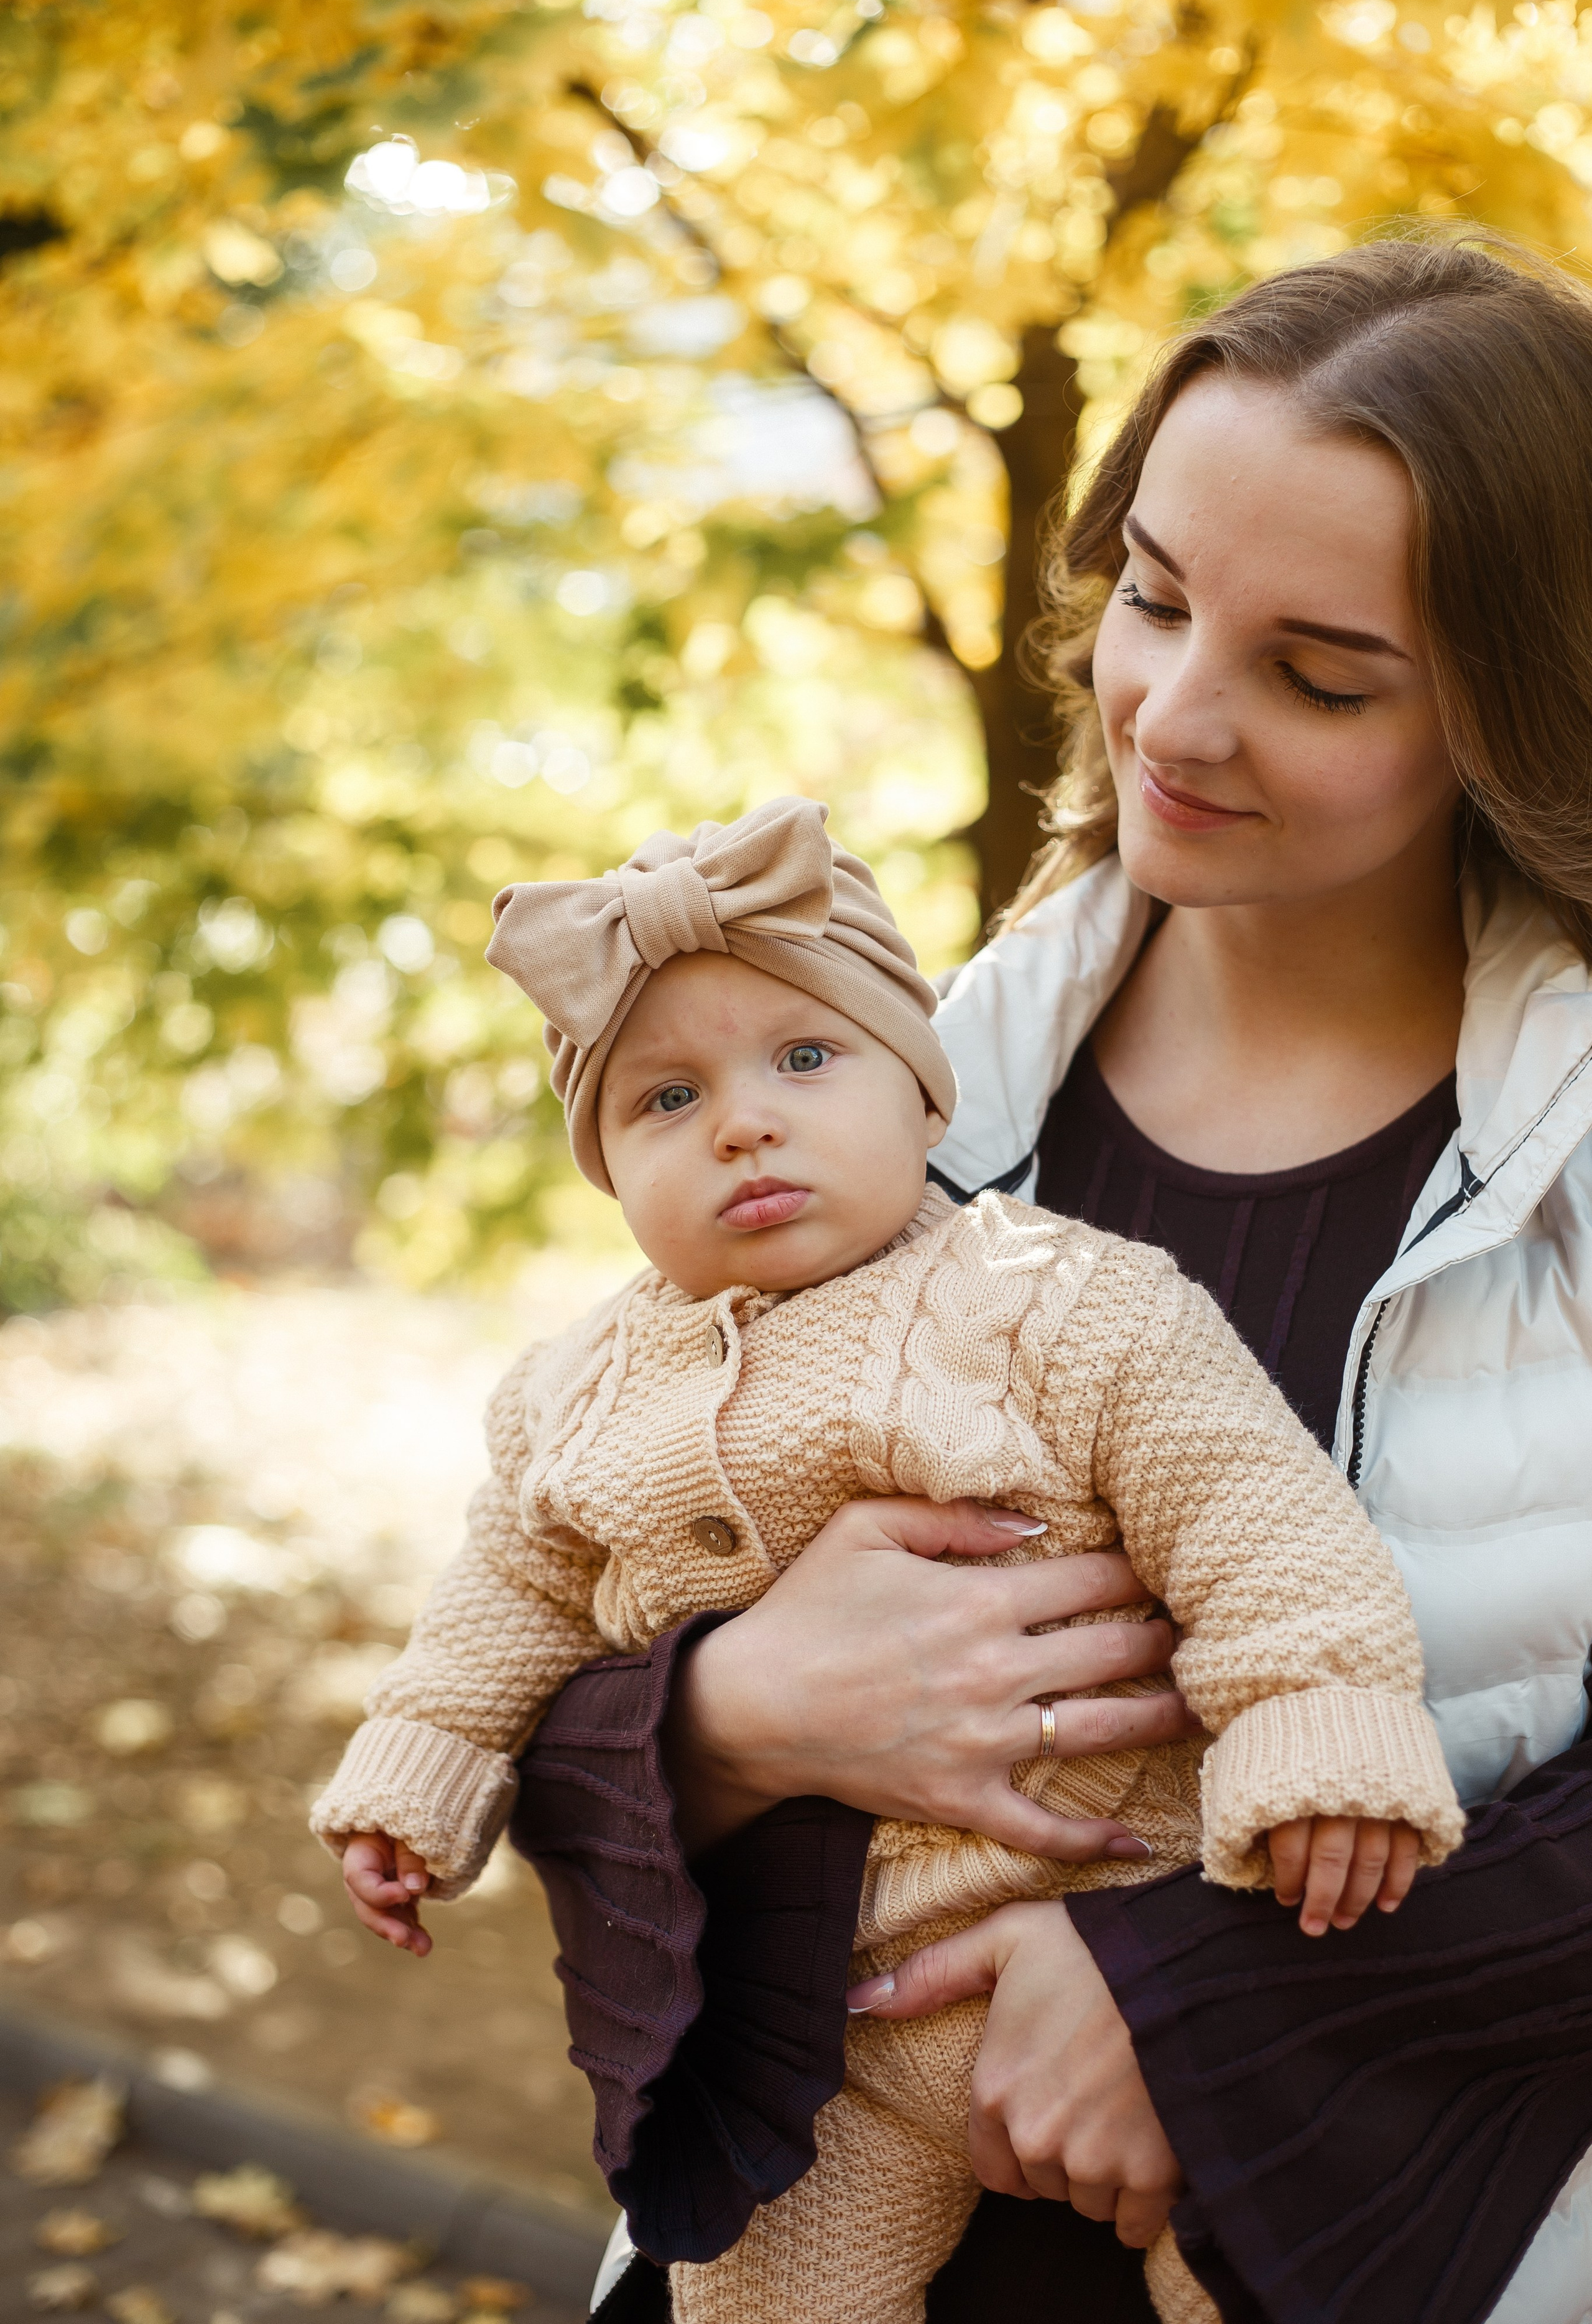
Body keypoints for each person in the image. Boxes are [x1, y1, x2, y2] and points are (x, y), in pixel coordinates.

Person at [512, 233, 1592, 2324]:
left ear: (1520, 705)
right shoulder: (885, 1086)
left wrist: (1192, 2004)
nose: (1175, 715)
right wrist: (725, 1721)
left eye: (1323, 673)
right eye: (1159, 600)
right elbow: (552, 1596)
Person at [308, 794, 1461, 2324]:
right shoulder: (574, 1393)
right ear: (604, 1173)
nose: (742, 1122)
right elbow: (499, 1607)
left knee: (1273, 2264)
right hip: (821, 2033)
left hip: (1124, 1932)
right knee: (754, 2283)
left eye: (803, 1059)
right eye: (663, 1101)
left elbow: (1253, 1519)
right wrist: (420, 1769)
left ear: (925, 1100)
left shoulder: (1065, 1301)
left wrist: (1316, 1735)